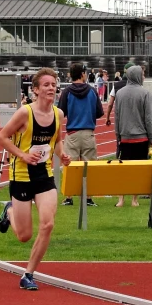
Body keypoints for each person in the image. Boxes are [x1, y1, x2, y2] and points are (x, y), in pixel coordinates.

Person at [0, 68, 70, 291]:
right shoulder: (24, 113)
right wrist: (22, 155)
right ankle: (10, 211)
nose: (51, 88)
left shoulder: (58, 114)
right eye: (46, 85)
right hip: (21, 175)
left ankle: (28, 274)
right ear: (36, 90)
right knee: (24, 235)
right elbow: (1, 137)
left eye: (53, 84)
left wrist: (62, 154)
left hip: (44, 175)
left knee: (47, 224)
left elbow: (56, 141)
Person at [58, 63, 104, 206]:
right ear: (83, 74)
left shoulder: (67, 92)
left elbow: (60, 112)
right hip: (88, 132)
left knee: (69, 165)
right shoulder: (92, 91)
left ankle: (69, 197)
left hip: (72, 132)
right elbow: (99, 112)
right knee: (89, 166)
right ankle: (88, 197)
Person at [113, 65, 152, 207]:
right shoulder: (144, 93)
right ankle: (134, 199)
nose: (143, 77)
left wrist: (118, 136)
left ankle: (120, 199)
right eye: (142, 74)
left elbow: (117, 117)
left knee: (123, 170)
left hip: (125, 137)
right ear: (137, 76)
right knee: (138, 170)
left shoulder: (119, 93)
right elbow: (149, 118)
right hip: (141, 137)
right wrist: (151, 137)